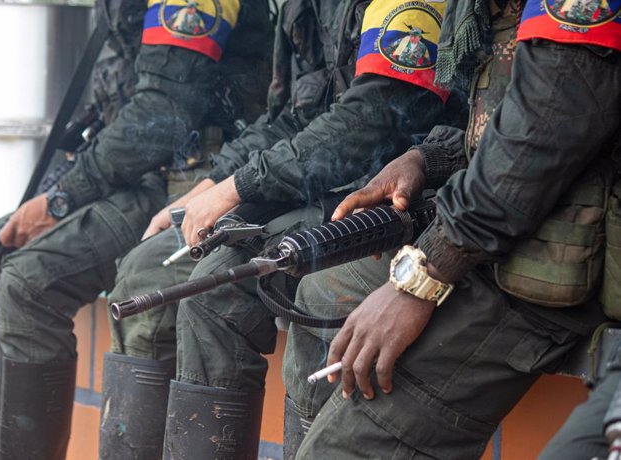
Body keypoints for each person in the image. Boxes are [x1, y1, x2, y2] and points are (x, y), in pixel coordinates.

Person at [278, 0, 621, 457]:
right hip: (501, 233)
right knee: (325, 290)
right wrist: (427, 158)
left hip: (553, 259)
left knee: (341, 451)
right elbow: (499, 114)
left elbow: (545, 129)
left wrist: (420, 280)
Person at [122, 0, 460, 457]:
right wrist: (219, 182)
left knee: (268, 290)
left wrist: (237, 187)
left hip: (397, 199)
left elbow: (374, 118)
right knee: (181, 282)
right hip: (320, 190)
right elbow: (295, 114)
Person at [0, 0, 273, 458]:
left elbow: (162, 112)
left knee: (35, 280)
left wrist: (61, 200)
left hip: (199, 180)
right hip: (148, 177)